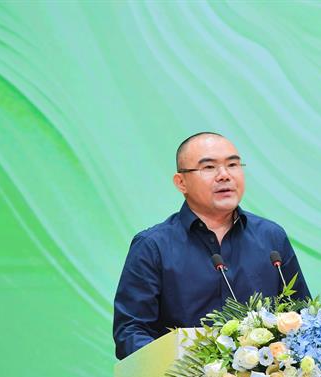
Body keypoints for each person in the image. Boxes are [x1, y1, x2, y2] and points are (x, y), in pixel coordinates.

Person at [113, 132, 310, 360]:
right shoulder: (153, 246)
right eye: (208, 167)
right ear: (181, 182)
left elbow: (301, 315)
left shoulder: (271, 237)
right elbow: (130, 331)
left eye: (233, 165)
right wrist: (178, 365)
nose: (224, 175)